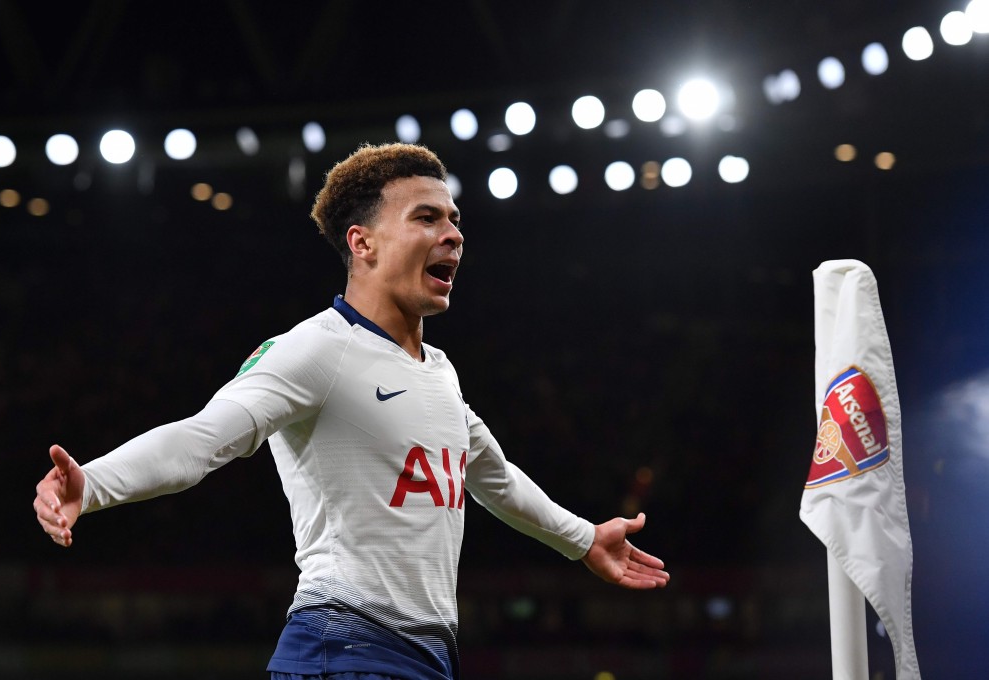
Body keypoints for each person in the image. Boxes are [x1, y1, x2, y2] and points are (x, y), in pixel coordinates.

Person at [33, 142, 670, 680]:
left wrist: (584, 539)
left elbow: (493, 477)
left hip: (419, 659)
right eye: (426, 218)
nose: (453, 234)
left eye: (453, 220)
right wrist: (92, 485)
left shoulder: (439, 373)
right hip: (342, 650)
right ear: (361, 243)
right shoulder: (317, 350)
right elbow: (204, 439)